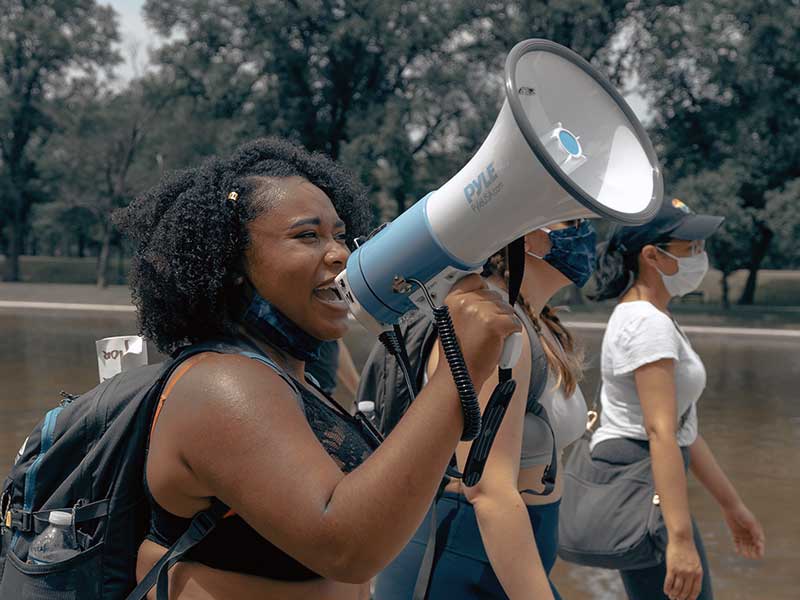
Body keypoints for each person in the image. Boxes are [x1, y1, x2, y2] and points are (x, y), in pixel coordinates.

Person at [113, 137, 522, 599]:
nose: (340, 254)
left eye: (340, 234)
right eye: (307, 236)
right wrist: (458, 371)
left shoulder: (288, 377)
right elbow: (346, 547)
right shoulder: (221, 384)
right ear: (231, 265)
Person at [373, 219, 597, 600]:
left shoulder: (538, 322)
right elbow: (488, 490)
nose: (586, 234)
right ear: (527, 235)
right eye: (571, 222)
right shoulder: (489, 323)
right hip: (458, 560)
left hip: (506, 557)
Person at [588, 198, 766, 600]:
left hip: (650, 487)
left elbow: (682, 428)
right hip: (644, 487)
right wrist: (680, 540)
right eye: (691, 248)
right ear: (653, 256)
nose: (701, 257)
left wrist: (731, 506)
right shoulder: (646, 324)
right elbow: (660, 432)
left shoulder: (650, 316)